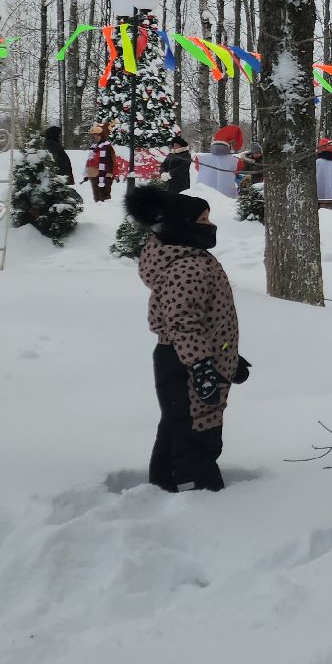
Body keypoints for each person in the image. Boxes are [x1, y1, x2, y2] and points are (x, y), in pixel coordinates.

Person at [125, 185, 249, 492]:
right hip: (185, 362)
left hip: (188, 358)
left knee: (177, 425)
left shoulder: (191, 259)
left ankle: (161, 485)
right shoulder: (187, 267)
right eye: (202, 220)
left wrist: (229, 358)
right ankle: (197, 493)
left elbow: (207, 321)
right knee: (197, 429)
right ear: (182, 225)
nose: (209, 226)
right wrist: (201, 367)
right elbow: (183, 324)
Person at [87, 123, 119, 202]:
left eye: (97, 135)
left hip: (105, 174)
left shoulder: (107, 147)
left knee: (104, 195)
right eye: (94, 135)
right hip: (94, 174)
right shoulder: (94, 147)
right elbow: (90, 160)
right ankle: (99, 208)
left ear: (102, 136)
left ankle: (106, 208)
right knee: (97, 196)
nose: (95, 137)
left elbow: (112, 161)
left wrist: (111, 173)